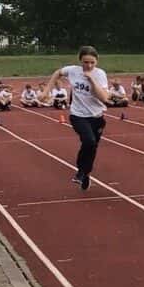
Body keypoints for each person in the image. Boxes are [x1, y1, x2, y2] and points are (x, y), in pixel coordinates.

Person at [46, 47, 109, 192]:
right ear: (80, 60)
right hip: (78, 115)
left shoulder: (100, 74)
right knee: (89, 141)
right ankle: (81, 172)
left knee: (92, 147)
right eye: (86, 62)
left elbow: (104, 98)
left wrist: (91, 79)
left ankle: (85, 173)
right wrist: (46, 91)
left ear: (97, 61)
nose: (89, 65)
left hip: (97, 117)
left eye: (92, 62)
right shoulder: (73, 70)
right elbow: (58, 72)